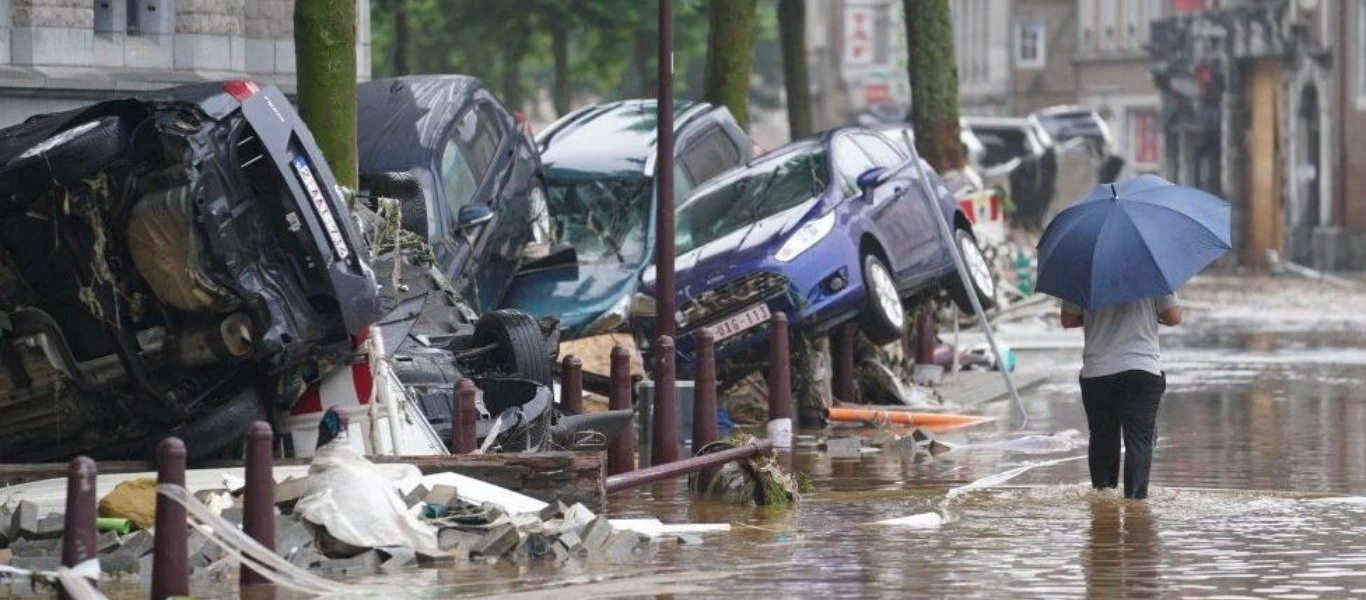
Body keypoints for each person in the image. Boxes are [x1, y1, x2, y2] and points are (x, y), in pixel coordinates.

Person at [1060, 294, 1182, 500]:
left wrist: (1095, 319)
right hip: (1142, 369)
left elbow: (1068, 319)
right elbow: (1174, 317)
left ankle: (1103, 503)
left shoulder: (1084, 277)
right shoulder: (1154, 277)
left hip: (1098, 371)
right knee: (1139, 441)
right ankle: (1135, 504)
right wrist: (1152, 315)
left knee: (1102, 439)